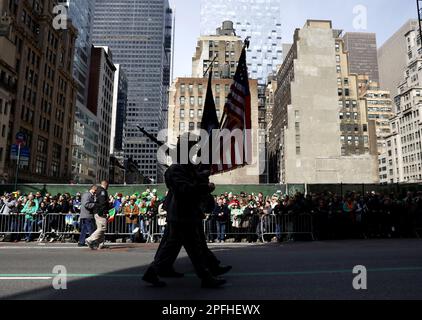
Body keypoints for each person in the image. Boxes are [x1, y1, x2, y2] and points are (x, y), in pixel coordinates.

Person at [142, 133, 228, 288]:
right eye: (191, 148)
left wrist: (202, 176)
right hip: (181, 214)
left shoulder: (185, 169)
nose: (194, 152)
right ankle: (205, 277)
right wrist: (204, 186)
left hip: (186, 214)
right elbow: (184, 189)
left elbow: (192, 181)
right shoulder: (176, 170)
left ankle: (154, 272)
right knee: (189, 247)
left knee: (185, 247)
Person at [86, 180, 110, 250]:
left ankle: (100, 244)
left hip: (97, 211)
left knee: (101, 228)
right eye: (108, 185)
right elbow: (102, 203)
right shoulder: (103, 191)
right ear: (106, 184)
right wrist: (105, 212)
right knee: (102, 228)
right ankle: (90, 239)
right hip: (100, 212)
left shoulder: (97, 190)